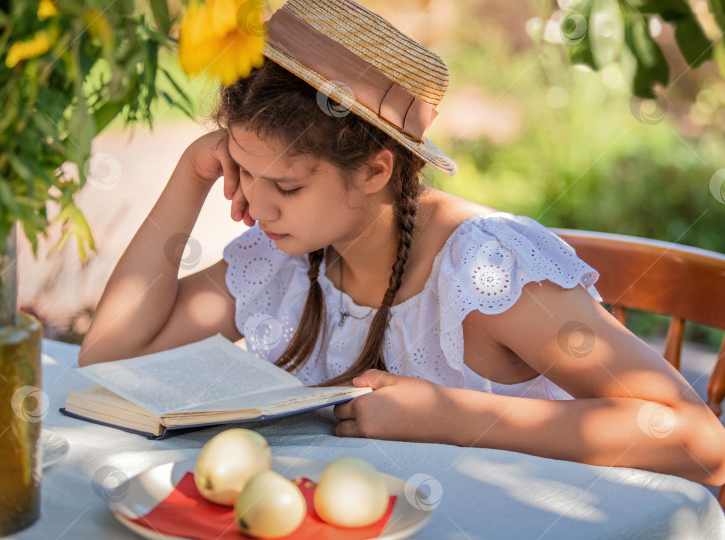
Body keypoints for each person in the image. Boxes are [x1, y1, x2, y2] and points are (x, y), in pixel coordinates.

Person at [78, 0, 725, 486]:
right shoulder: (288, 256)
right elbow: (109, 358)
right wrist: (190, 176)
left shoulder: (485, 273)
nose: (257, 205)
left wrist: (452, 417)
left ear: (375, 169)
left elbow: (700, 442)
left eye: (288, 185)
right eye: (242, 169)